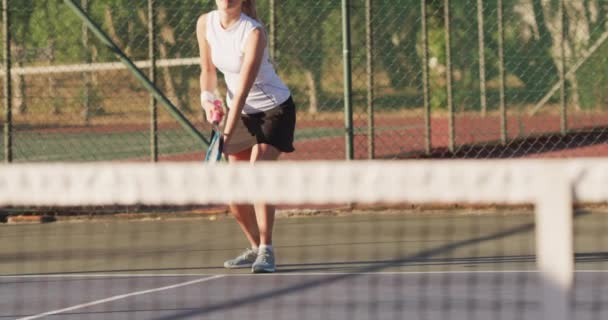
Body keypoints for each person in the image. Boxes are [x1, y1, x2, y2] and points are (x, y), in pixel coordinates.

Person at [196, 0, 296, 273]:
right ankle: (254, 247)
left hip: (274, 110)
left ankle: (267, 249)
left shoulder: (253, 32)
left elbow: (242, 89)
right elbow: (207, 70)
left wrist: (226, 131)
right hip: (239, 113)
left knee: (258, 171)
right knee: (235, 191)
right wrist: (207, 100)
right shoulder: (205, 23)